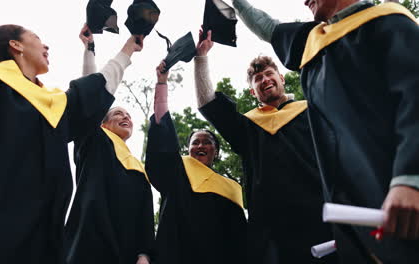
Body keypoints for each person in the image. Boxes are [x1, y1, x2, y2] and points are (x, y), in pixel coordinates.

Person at [230, 0, 419, 262]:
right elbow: (268, 27)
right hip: (357, 219)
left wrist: (410, 178)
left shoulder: (388, 23)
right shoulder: (314, 42)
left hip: (403, 197)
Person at [0, 23, 136, 264]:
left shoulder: (51, 105)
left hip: (42, 244)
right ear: (15, 45)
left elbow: (92, 93)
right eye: (36, 38)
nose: (46, 45)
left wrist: (129, 47)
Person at [195, 30, 337, 263]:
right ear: (253, 92)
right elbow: (208, 103)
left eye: (270, 74)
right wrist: (201, 58)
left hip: (322, 219)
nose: (265, 80)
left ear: (282, 78)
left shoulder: (312, 112)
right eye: (258, 79)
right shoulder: (248, 126)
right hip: (270, 234)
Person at [64, 24, 154, 264]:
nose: (125, 117)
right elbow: (87, 100)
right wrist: (89, 50)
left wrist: (144, 254)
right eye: (117, 114)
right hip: (89, 245)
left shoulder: (137, 166)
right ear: (102, 123)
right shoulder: (95, 140)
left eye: (128, 115)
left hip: (125, 252)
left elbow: (144, 214)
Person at [145, 60, 247, 264]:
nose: (200, 146)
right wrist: (162, 84)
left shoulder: (231, 188)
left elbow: (240, 242)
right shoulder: (177, 170)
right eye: (195, 142)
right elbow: (162, 140)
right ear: (188, 149)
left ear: (216, 152)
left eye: (207, 142)